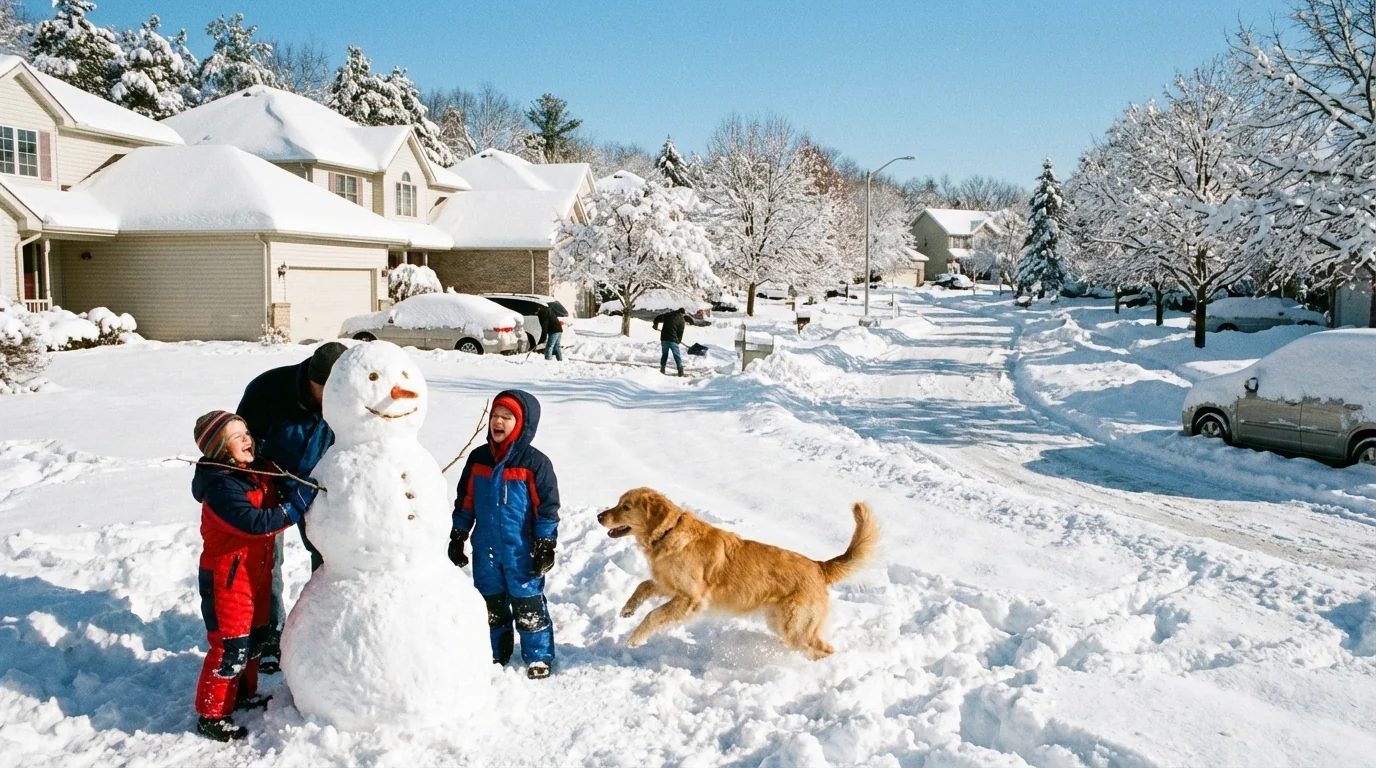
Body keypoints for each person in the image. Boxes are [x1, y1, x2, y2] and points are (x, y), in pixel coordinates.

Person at [190, 410, 317, 742]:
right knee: (230, 647)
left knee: (256, 637)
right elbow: (255, 523)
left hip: (255, 574)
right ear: (219, 448)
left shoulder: (253, 471)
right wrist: (295, 508)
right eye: (236, 436)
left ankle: (243, 693)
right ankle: (211, 714)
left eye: (246, 431)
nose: (247, 439)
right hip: (227, 580)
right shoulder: (221, 486)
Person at [236, 341, 346, 674]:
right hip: (270, 484)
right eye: (324, 390)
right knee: (268, 561)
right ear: (312, 379)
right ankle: (270, 634)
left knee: (329, 556)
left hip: (319, 487)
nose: (330, 398)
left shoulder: (347, 398)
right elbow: (243, 442)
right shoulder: (269, 389)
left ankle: (323, 629)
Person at [449, 390, 561, 679]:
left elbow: (547, 508)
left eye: (506, 417)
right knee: (491, 604)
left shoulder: (535, 463)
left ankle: (538, 655)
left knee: (528, 604)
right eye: (494, 416)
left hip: (521, 551)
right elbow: (466, 501)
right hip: (486, 548)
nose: (497, 422)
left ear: (522, 424)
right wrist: (458, 534)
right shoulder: (478, 459)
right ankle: (495, 651)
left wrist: (546, 544)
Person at [653, 307, 690, 376]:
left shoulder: (667, 315)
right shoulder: (681, 321)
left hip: (664, 339)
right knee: (677, 356)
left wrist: (655, 325)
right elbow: (680, 333)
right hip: (673, 340)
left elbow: (657, 318)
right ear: (682, 314)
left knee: (664, 354)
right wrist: (678, 341)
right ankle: (680, 371)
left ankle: (662, 368)